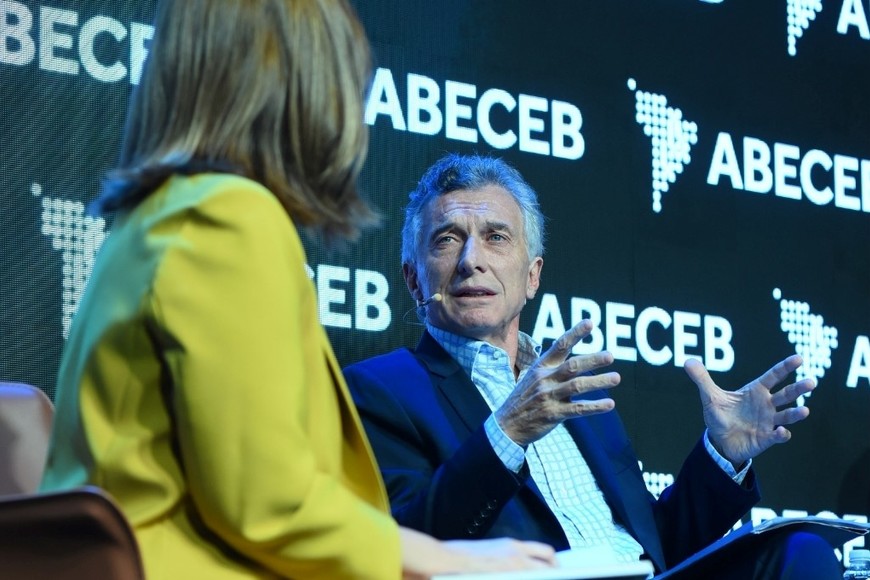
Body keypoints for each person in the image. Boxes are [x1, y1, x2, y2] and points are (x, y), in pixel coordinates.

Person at [38, 3, 557, 579]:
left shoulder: (152, 218)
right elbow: (267, 503)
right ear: (309, 83)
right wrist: (445, 559)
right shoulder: (230, 217)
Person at [343, 153, 844, 579]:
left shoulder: (574, 389)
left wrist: (721, 456)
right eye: (447, 239)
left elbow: (656, 546)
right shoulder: (379, 390)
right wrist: (506, 434)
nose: (472, 259)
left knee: (800, 554)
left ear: (532, 275)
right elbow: (403, 550)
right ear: (412, 278)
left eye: (496, 237)